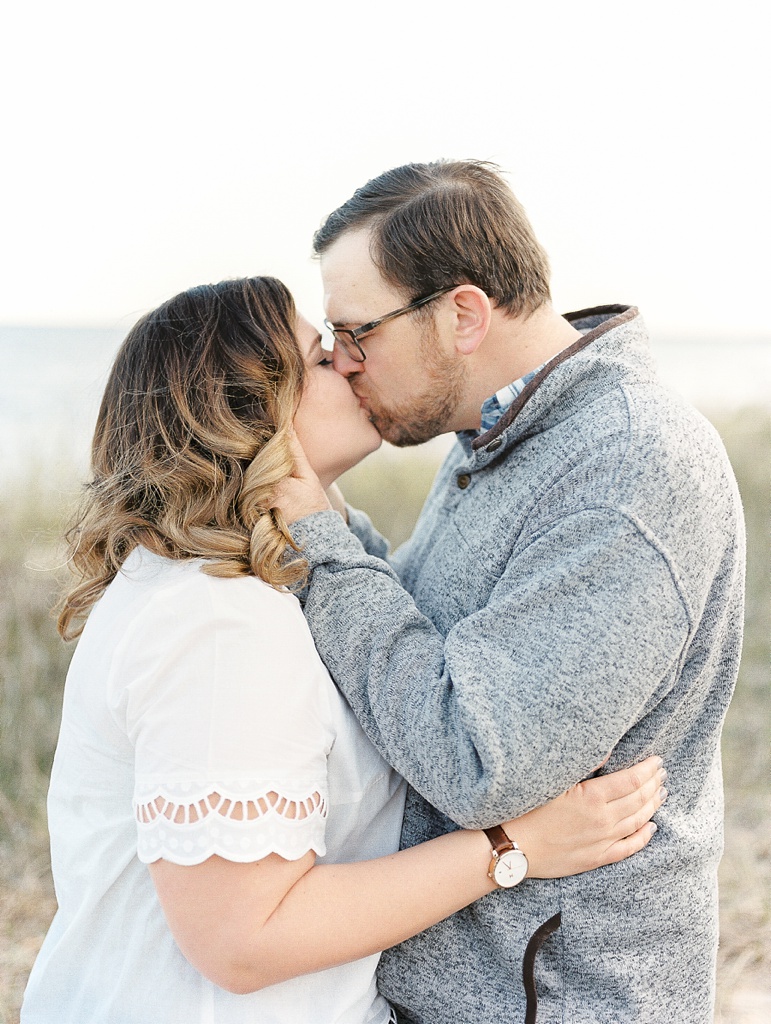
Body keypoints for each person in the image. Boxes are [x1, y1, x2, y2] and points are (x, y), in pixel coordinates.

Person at [20, 276, 665, 1024]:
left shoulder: (237, 587)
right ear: (248, 409)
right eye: (321, 358)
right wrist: (513, 847)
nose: (352, 364)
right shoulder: (220, 625)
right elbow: (243, 941)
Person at [274, 161, 746, 1023]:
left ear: (461, 314)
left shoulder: (628, 465)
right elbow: (421, 626)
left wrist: (319, 542)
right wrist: (324, 514)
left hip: (553, 1001)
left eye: (357, 333)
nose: (342, 366)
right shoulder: (497, 436)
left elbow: (477, 760)